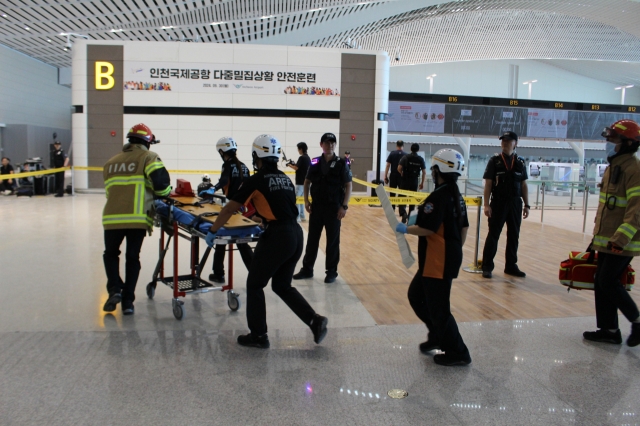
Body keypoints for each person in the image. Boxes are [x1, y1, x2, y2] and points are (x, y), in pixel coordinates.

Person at [204, 134, 328, 348]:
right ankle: (314, 320)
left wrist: (213, 230)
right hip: (296, 235)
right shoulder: (284, 178)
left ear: (256, 156)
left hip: (278, 236)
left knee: (254, 284)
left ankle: (259, 335)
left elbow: (230, 208)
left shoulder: (256, 179)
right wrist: (260, 218)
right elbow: (279, 207)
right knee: (281, 285)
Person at [396, 148, 471, 366]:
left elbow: (427, 229)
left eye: (433, 169)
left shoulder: (438, 196)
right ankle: (437, 335)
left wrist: (404, 229)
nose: (431, 172)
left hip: (436, 262)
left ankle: (459, 352)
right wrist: (454, 249)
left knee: (439, 309)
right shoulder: (457, 195)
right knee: (415, 295)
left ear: (438, 170)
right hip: (445, 258)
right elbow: (464, 229)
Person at [102, 123, 171, 315]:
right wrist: (165, 194)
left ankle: (114, 289)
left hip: (111, 218)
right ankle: (128, 302)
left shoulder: (111, 162)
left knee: (110, 254)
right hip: (137, 218)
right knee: (132, 257)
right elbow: (162, 185)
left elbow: (110, 192)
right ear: (148, 142)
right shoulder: (148, 157)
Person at [583, 119, 640, 347]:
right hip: (607, 239)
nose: (610, 142)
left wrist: (620, 238)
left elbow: (636, 209)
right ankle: (608, 329)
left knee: (607, 281)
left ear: (627, 142)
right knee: (601, 280)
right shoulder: (615, 165)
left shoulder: (633, 169)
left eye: (614, 138)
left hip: (622, 240)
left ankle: (637, 321)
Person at [293, 133, 352, 284]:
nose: (330, 145)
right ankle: (307, 269)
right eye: (327, 143)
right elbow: (306, 181)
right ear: (321, 145)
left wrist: (344, 206)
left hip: (334, 209)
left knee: (332, 242)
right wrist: (306, 201)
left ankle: (331, 272)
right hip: (317, 208)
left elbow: (348, 184)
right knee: (312, 240)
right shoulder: (315, 161)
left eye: (333, 143)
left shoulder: (341, 163)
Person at [481, 131, 529, 279]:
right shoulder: (494, 161)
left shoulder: (520, 162)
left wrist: (527, 205)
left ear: (515, 143)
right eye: (503, 140)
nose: (505, 143)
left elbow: (523, 184)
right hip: (499, 202)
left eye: (508, 140)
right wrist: (487, 204)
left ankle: (511, 266)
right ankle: (487, 266)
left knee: (514, 235)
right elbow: (488, 184)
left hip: (515, 202)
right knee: (493, 235)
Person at [207, 136, 253, 284]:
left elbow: (224, 180)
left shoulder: (227, 164)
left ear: (222, 151)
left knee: (221, 238)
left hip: (230, 206)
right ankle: (254, 271)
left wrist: (213, 188)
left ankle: (219, 273)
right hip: (243, 208)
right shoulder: (244, 166)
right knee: (241, 241)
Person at [397, 143, 427, 223]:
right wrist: (422, 183)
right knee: (412, 199)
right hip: (414, 180)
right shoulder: (420, 159)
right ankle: (411, 217)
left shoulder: (405, 157)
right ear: (418, 150)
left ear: (411, 149)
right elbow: (424, 172)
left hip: (405, 179)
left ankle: (403, 213)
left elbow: (399, 167)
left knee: (402, 197)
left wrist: (402, 173)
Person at [286, 142, 311, 222]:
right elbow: (299, 166)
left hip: (300, 183)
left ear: (301, 149)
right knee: (302, 200)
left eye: (298, 149)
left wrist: (289, 165)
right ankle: (302, 216)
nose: (298, 151)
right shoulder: (307, 158)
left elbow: (296, 168)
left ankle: (297, 217)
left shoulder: (302, 158)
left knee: (296, 200)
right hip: (306, 183)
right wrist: (293, 164)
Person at [384, 140, 407, 215]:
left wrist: (386, 176)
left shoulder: (392, 153)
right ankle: (402, 211)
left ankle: (392, 209)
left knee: (392, 193)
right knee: (402, 193)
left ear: (396, 145)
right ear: (403, 146)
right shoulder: (405, 155)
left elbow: (388, 165)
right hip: (402, 176)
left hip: (393, 175)